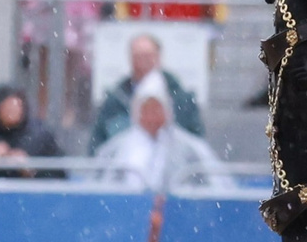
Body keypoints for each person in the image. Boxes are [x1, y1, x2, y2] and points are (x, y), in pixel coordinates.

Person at [94, 70, 224, 189]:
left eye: (156, 110)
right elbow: (100, 186)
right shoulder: (117, 149)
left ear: (167, 112)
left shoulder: (189, 148)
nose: (151, 117)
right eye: (146, 110)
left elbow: (213, 185)